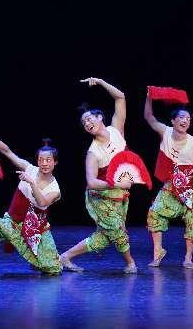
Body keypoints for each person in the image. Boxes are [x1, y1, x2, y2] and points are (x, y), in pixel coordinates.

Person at [59, 77, 137, 274]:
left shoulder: (116, 130)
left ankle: (65, 257)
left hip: (118, 194)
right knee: (117, 229)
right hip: (100, 196)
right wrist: (117, 183)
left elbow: (120, 97)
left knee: (104, 237)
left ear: (100, 117)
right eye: (84, 122)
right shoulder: (93, 152)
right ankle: (130, 263)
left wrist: (101, 82)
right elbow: (92, 182)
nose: (87, 123)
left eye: (89, 119)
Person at [144, 94, 193, 268]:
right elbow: (149, 117)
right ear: (173, 121)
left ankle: (188, 257)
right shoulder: (165, 131)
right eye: (181, 117)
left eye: (188, 119)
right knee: (155, 213)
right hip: (173, 183)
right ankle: (158, 252)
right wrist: (149, 98)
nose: (185, 121)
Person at [0, 130, 62, 278]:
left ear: (55, 162)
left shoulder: (55, 189)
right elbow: (7, 152)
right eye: (41, 160)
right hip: (13, 222)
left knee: (54, 269)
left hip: (36, 228)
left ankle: (37, 260)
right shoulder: (30, 169)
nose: (44, 163)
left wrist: (32, 182)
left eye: (48, 160)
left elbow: (42, 202)